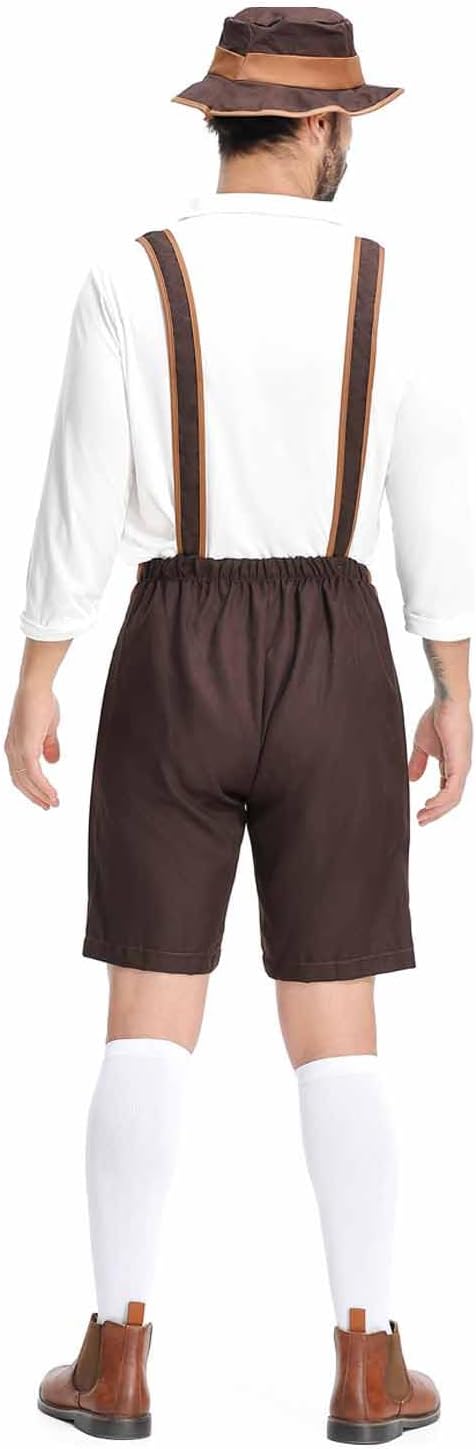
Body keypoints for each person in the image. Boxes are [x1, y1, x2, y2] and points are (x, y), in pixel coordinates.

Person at [4, 7, 473, 1444]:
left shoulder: (128, 274)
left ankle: (117, 1357)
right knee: (339, 1018)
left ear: (219, 114)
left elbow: (80, 494)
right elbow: (432, 502)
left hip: (173, 639)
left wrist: (39, 673)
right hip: (338, 649)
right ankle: (369, 1361)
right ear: (321, 127)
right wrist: (453, 681)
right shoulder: (389, 282)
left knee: (148, 1002)